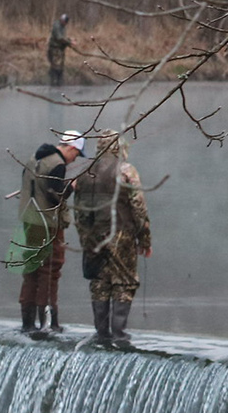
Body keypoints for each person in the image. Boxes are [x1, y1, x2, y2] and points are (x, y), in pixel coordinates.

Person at [72, 130, 152, 350]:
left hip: (91, 237)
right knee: (124, 282)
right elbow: (139, 207)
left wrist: (84, 237)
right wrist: (144, 238)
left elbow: (77, 210)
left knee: (99, 283)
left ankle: (101, 334)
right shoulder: (126, 171)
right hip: (120, 236)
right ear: (118, 147)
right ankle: (119, 335)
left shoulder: (84, 171)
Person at [17, 130, 83, 337]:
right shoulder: (57, 164)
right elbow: (55, 197)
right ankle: (49, 324)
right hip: (47, 225)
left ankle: (27, 323)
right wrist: (70, 187)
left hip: (28, 221)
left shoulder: (34, 158)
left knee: (31, 270)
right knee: (50, 271)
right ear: (71, 148)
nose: (75, 159)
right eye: (76, 154)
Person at [47, 14, 71, 86]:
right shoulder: (57, 26)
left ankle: (59, 83)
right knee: (56, 67)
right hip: (55, 49)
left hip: (60, 49)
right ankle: (54, 83)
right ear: (62, 20)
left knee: (60, 67)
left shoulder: (62, 26)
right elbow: (59, 38)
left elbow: (63, 38)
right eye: (65, 22)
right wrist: (69, 42)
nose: (66, 24)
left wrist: (69, 40)